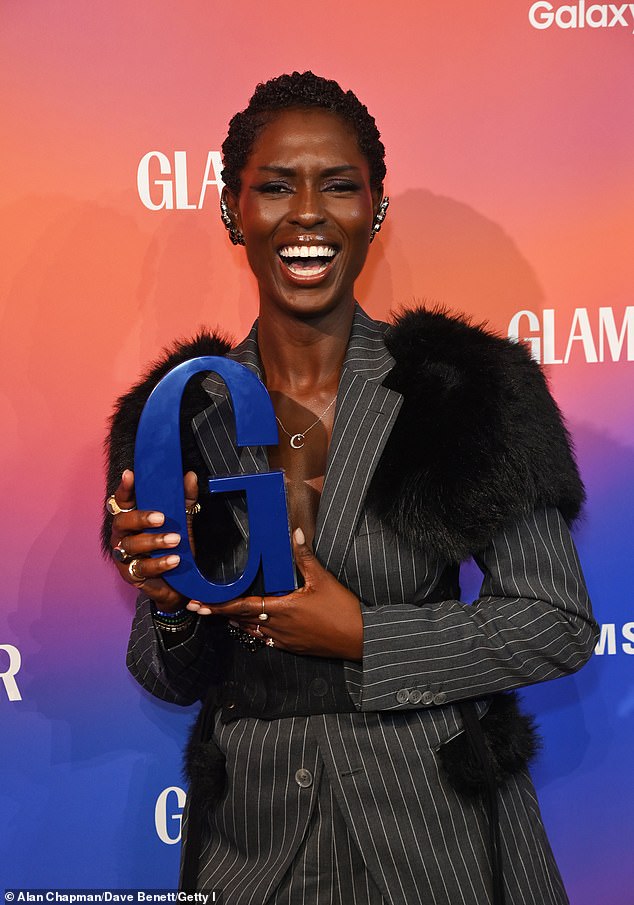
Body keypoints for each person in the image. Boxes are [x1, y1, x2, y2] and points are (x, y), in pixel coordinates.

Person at [103, 71, 598, 905]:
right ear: (233, 210)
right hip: (253, 853)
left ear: (375, 210)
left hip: (441, 843)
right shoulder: (177, 411)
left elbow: (557, 622)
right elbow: (172, 676)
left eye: (338, 185)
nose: (307, 212)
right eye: (274, 187)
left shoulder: (465, 388)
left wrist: (366, 633)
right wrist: (164, 599)